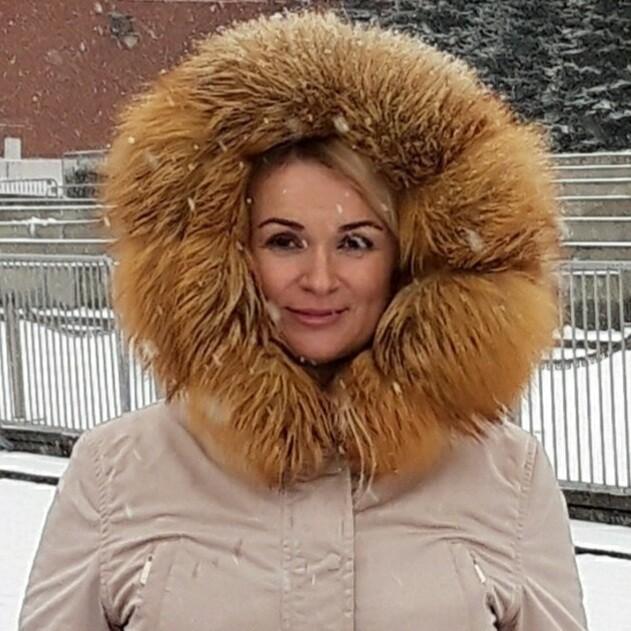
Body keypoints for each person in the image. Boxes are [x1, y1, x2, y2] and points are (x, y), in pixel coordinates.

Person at [19, 9, 588, 630]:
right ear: (232, 254)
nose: (319, 278)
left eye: (356, 242)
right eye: (284, 241)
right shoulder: (116, 473)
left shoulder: (506, 478)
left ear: (406, 261)